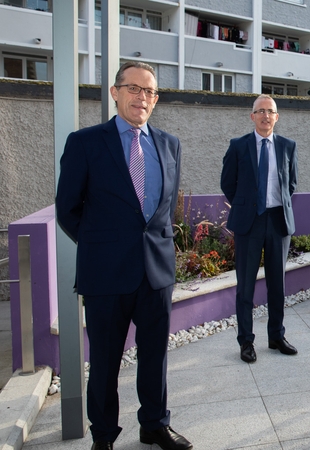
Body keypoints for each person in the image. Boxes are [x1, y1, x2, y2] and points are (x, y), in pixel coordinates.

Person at [55, 62, 192, 450]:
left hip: (156, 272)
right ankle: (103, 436)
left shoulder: (169, 144)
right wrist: (102, 245)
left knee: (155, 358)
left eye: (149, 91)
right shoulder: (85, 143)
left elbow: (163, 209)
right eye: (133, 88)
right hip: (106, 274)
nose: (141, 97)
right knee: (104, 362)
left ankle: (154, 425)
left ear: (156, 100)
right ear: (115, 92)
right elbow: (67, 208)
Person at [221, 94, 299, 363]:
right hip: (249, 223)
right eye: (260, 111)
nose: (266, 115)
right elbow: (227, 183)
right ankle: (246, 341)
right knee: (245, 285)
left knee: (278, 284)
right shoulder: (238, 146)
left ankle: (276, 335)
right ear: (252, 116)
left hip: (278, 222)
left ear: (277, 117)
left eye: (271, 111)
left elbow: (292, 184)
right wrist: (245, 206)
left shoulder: (288, 146)